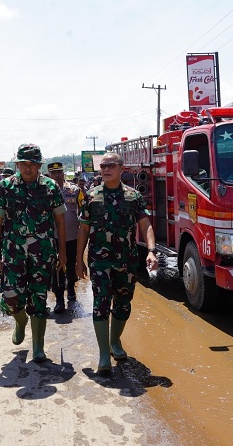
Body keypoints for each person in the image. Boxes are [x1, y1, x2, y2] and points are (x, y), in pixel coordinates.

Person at [76, 152, 158, 374]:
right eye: (102, 166)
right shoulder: (91, 196)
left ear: (122, 168)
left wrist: (151, 251)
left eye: (110, 165)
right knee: (100, 303)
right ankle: (103, 354)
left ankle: (114, 341)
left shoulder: (133, 197)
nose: (105, 169)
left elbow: (146, 225)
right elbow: (83, 229)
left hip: (127, 261)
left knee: (123, 303)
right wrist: (78, 260)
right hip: (99, 261)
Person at [0, 144, 66, 363]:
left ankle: (38, 347)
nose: (28, 168)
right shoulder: (5, 186)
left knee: (39, 298)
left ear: (39, 165)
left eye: (32, 164)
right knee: (12, 298)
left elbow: (60, 221)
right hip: (13, 252)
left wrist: (63, 253)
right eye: (23, 163)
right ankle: (20, 321)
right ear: (17, 164)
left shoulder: (50, 186)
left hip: (43, 253)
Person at [47, 161, 84, 313]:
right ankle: (60, 299)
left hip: (72, 236)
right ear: (49, 174)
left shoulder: (75, 190)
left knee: (71, 266)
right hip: (53, 237)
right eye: (54, 173)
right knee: (56, 269)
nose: (57, 175)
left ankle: (71, 288)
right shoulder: (45, 191)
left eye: (59, 172)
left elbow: (83, 212)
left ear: (63, 173)